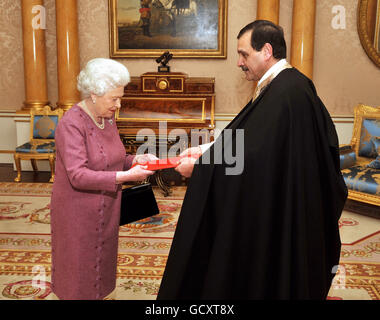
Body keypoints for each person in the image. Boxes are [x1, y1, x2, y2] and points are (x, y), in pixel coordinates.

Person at [157, 20, 348, 299]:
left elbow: (256, 157)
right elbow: (250, 138)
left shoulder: (287, 91)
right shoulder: (281, 84)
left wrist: (201, 167)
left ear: (266, 51)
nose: (238, 62)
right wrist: (205, 150)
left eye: (244, 54)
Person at [50, 58, 156, 300]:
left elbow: (113, 158)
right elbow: (78, 175)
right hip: (77, 211)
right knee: (78, 269)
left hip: (107, 205)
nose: (118, 105)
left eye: (120, 98)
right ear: (94, 93)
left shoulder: (107, 118)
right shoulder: (71, 124)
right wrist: (126, 176)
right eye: (114, 99)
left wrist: (135, 161)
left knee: (103, 261)